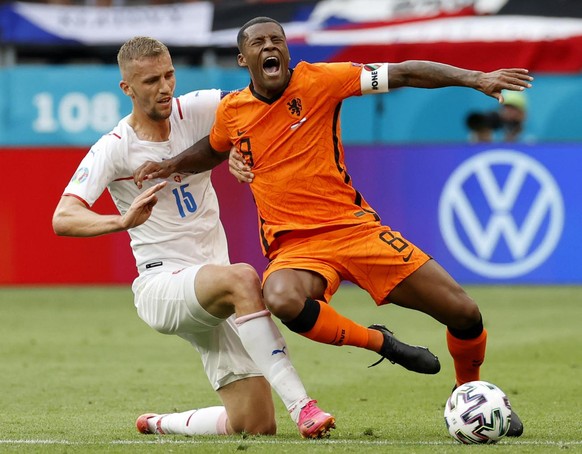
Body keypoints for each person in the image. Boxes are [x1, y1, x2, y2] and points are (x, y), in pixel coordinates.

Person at [133, 17, 533, 435]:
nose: (270, 46)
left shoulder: (323, 80)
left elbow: (405, 72)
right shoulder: (232, 110)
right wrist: (170, 165)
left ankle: (471, 394)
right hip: (296, 248)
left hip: (354, 230)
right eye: (258, 42)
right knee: (281, 297)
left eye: (277, 40)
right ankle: (383, 343)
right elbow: (212, 150)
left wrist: (475, 78)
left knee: (465, 313)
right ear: (243, 58)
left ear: (286, 51)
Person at [52, 36, 338, 439]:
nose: (165, 87)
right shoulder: (114, 148)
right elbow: (63, 217)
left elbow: (255, 108)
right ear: (127, 88)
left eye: (169, 75)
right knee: (243, 277)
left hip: (212, 287)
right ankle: (303, 407)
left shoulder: (201, 108)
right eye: (151, 81)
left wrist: (241, 146)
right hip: (163, 286)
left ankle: (158, 423)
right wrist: (122, 222)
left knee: (255, 424)